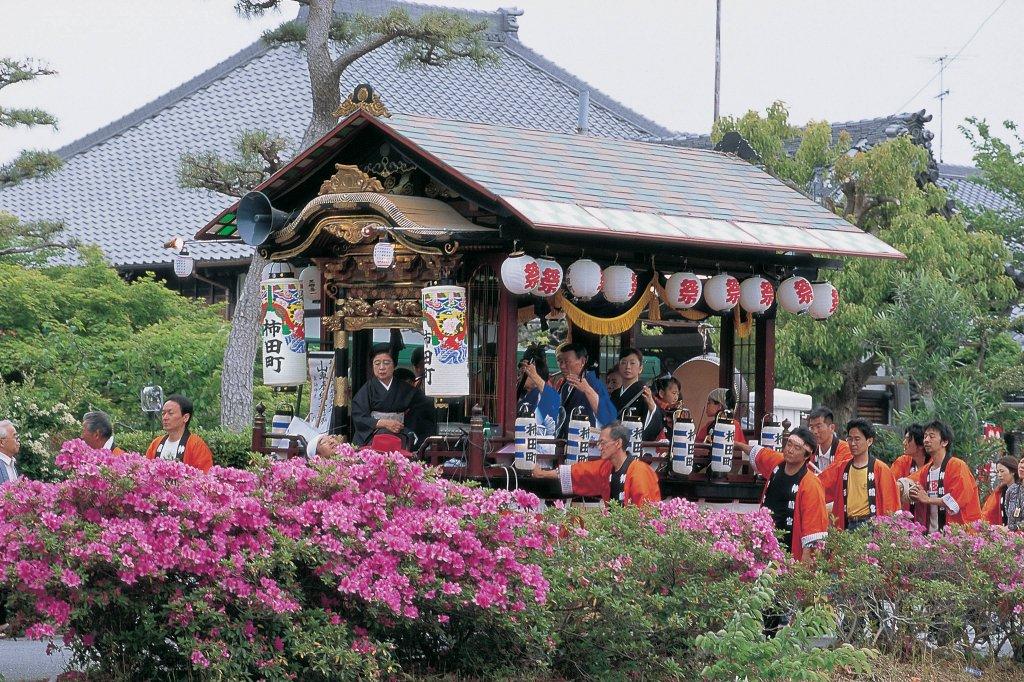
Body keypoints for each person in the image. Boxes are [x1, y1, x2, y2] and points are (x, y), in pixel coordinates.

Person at [735, 428, 828, 562]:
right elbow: (758, 453)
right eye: (789, 444)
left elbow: (814, 533)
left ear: (807, 455)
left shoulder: (811, 484)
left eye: (797, 448)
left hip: (790, 551)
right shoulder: (777, 462)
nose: (790, 450)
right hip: (764, 543)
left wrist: (804, 570)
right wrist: (737, 445)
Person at [533, 422, 661, 505]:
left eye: (603, 443)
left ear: (618, 443)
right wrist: (543, 474)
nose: (599, 447)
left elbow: (646, 510)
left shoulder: (640, 471)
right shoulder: (606, 467)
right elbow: (580, 472)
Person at [817, 419, 900, 531]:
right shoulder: (842, 467)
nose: (852, 443)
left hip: (871, 525)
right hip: (848, 524)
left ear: (869, 441)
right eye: (850, 439)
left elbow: (890, 502)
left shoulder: (881, 469)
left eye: (857, 439)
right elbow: (821, 483)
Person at [351, 345, 437, 448]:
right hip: (373, 438)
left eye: (386, 363)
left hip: (400, 434)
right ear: (372, 366)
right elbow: (359, 417)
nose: (382, 367)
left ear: (394, 365)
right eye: (377, 363)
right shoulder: (366, 390)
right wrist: (382, 423)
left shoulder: (406, 389)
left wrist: (405, 427)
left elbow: (423, 410)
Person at [909, 421, 982, 532]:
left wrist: (928, 499)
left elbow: (956, 501)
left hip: (958, 536)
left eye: (931, 436)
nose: (926, 440)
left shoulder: (957, 466)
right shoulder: (926, 470)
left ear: (944, 442)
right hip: (932, 535)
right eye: (925, 436)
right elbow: (914, 485)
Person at [554, 343, 616, 438]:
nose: (562, 366)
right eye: (559, 361)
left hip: (586, 440)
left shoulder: (595, 383)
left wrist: (587, 390)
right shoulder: (566, 387)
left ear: (583, 361)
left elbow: (608, 417)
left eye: (567, 361)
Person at [144, 395, 213, 472]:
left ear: (185, 417)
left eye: (170, 413)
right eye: (163, 413)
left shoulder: (196, 445)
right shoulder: (156, 443)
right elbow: (146, 471)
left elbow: (205, 477)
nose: (165, 417)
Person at [609, 348, 663, 441]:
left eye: (632, 363)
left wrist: (651, 405)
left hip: (634, 443)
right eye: (623, 363)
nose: (628, 367)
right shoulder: (615, 394)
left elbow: (655, 424)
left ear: (640, 368)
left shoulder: (644, 393)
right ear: (619, 366)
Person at [807, 406, 851, 473]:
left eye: (819, 426)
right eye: (811, 427)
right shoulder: (811, 450)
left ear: (832, 428)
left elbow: (835, 477)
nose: (814, 432)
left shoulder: (846, 450)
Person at [982, 456, 1020, 526]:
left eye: (1002, 471)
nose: (999, 475)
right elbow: (988, 513)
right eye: (997, 472)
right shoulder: (1000, 492)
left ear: (1013, 472)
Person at [1007, 458, 1024, 532]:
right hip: (1013, 539)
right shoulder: (1012, 490)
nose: (1022, 466)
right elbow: (1008, 513)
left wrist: (1014, 527)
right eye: (1021, 462)